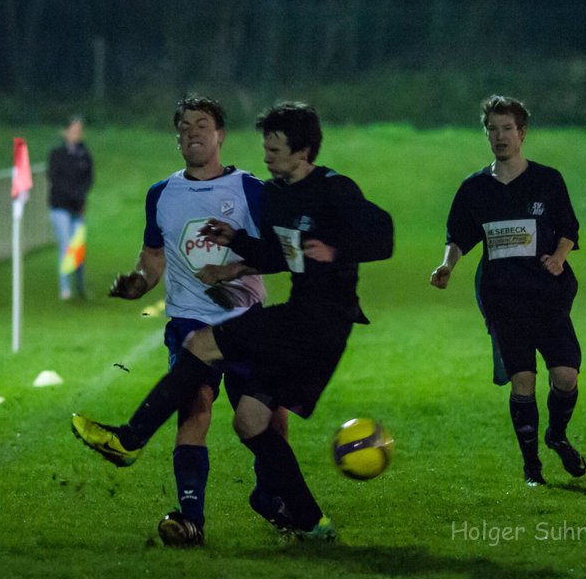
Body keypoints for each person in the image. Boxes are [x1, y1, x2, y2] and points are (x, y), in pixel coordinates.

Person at [72, 102, 394, 542]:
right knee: (250, 421)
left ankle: (129, 439)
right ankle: (311, 521)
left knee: (205, 346)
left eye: (275, 148)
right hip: (300, 318)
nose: (266, 156)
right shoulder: (279, 195)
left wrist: (335, 250)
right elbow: (279, 256)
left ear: (302, 151)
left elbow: (384, 235)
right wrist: (234, 248)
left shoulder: (333, 189)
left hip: (323, 322)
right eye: (265, 147)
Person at [106, 95, 287, 547]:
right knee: (194, 411)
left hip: (246, 321)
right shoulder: (161, 194)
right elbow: (152, 257)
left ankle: (270, 496)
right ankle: (191, 520)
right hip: (190, 323)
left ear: (220, 135)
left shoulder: (250, 190)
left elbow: (278, 252)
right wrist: (138, 283)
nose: (192, 132)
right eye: (184, 126)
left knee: (270, 419)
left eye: (201, 124)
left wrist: (234, 271)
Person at [430, 95, 586, 486]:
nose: (500, 137)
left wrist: (560, 256)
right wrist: (448, 264)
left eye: (507, 129)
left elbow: (569, 229)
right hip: (502, 297)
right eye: (492, 130)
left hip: (547, 295)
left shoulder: (547, 180)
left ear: (522, 133)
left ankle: (557, 435)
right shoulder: (474, 189)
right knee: (524, 381)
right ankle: (532, 466)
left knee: (566, 375)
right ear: (487, 135)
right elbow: (459, 235)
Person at [46, 116, 94, 300]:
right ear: (65, 132)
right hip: (60, 206)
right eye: (73, 131)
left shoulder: (84, 154)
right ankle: (65, 287)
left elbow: (89, 178)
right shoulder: (57, 154)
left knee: (78, 247)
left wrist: (80, 197)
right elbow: (55, 179)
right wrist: (71, 195)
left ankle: (80, 286)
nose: (77, 135)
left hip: (78, 207)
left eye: (79, 131)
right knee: (66, 246)